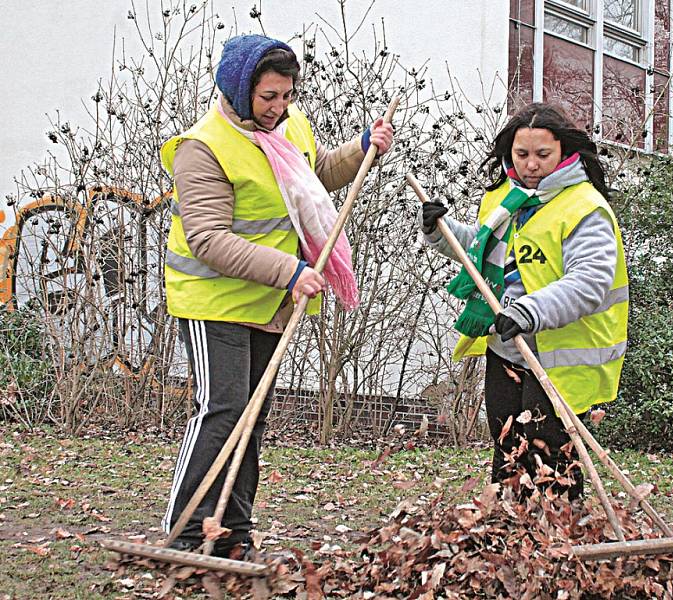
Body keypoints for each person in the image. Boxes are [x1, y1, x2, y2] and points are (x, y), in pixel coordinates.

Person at [159, 34, 393, 558]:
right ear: (240, 92)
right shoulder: (203, 149)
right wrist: (291, 270)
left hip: (268, 300)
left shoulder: (289, 126)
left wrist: (362, 150)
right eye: (268, 97)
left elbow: (316, 173)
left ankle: (233, 534)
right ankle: (187, 532)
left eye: (286, 95)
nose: (279, 107)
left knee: (254, 415)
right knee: (222, 410)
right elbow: (208, 238)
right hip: (212, 299)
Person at [420, 103, 627, 501]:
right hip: (507, 347)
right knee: (507, 447)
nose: (531, 165)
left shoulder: (584, 207)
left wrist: (528, 311)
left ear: (564, 152)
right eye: (521, 154)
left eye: (542, 155)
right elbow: (485, 253)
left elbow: (590, 282)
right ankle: (510, 535)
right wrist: (439, 231)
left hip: (561, 356)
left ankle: (559, 540)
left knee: (547, 453)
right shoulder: (508, 198)